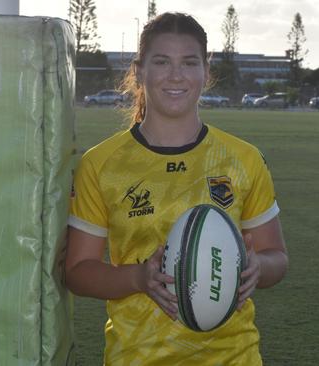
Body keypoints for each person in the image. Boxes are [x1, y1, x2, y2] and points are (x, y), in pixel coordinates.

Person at [64, 12, 288, 365]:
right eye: (162, 62)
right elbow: (78, 271)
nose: (176, 75)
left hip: (234, 357)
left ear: (205, 71)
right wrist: (139, 277)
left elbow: (277, 257)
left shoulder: (243, 160)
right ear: (139, 70)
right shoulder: (102, 164)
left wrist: (258, 266)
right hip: (137, 357)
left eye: (189, 62)